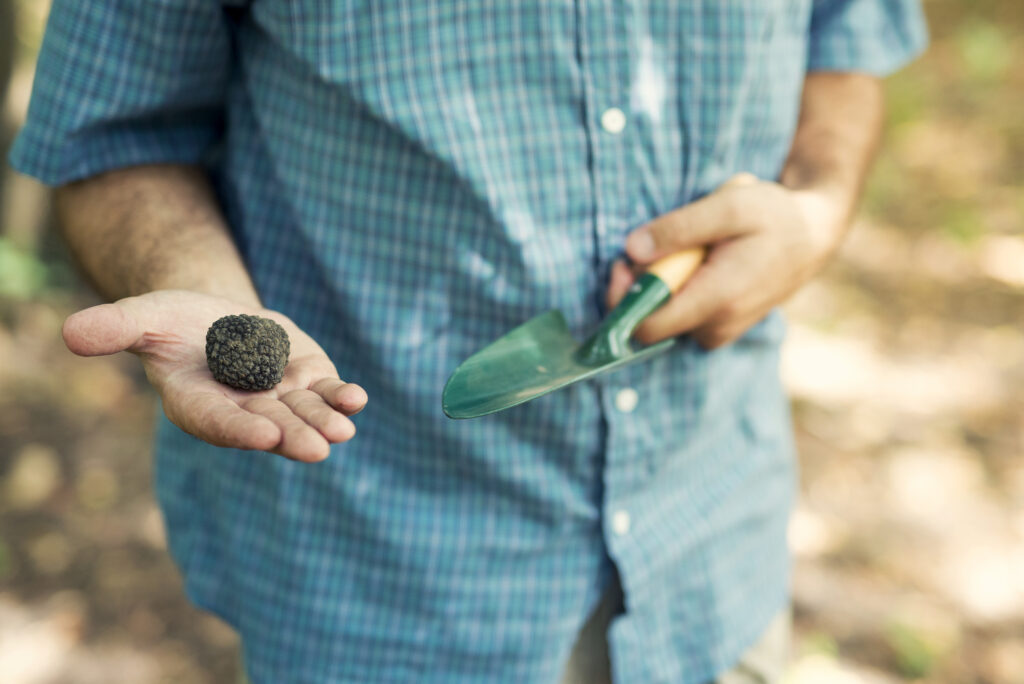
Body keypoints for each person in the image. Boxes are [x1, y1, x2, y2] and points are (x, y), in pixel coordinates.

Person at [10, 2, 927, 682]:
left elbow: (848, 44)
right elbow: (112, 135)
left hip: (713, 544)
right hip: (383, 578)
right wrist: (209, 298)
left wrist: (815, 206)